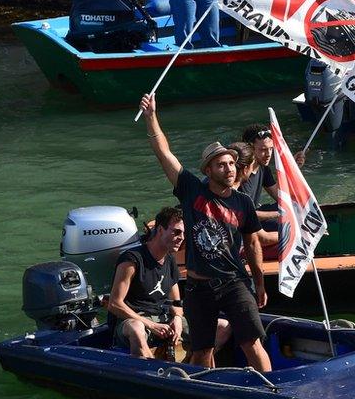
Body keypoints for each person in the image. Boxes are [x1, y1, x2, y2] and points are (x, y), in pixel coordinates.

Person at [139, 93, 272, 372]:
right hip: (199, 289)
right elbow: (164, 154)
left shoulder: (243, 202)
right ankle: (204, 390)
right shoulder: (191, 190)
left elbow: (252, 244)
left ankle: (276, 394)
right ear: (208, 170)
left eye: (233, 164)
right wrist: (151, 117)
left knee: (252, 343)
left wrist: (259, 283)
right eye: (222, 165)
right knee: (201, 351)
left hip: (235, 283)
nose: (230, 169)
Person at [108, 207, 189, 359]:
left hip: (162, 317)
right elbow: (114, 303)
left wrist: (177, 318)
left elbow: (176, 301)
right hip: (133, 319)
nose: (182, 238)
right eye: (176, 232)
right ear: (160, 229)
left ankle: (190, 370)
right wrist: (150, 324)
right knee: (137, 329)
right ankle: (153, 376)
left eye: (184, 233)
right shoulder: (132, 260)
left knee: (221, 327)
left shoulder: (170, 259)